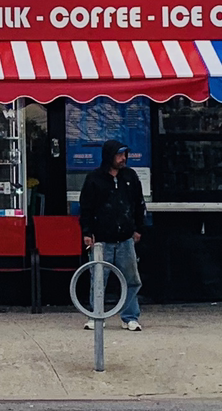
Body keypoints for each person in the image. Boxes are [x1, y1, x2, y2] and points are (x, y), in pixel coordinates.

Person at [78, 139, 145, 331]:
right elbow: (86, 208)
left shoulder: (130, 176)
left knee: (131, 279)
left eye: (125, 154)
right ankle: (95, 315)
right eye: (119, 154)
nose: (123, 158)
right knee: (98, 279)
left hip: (125, 237)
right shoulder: (94, 179)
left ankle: (130, 316)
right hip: (101, 239)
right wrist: (87, 232)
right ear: (109, 156)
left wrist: (139, 228)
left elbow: (139, 204)